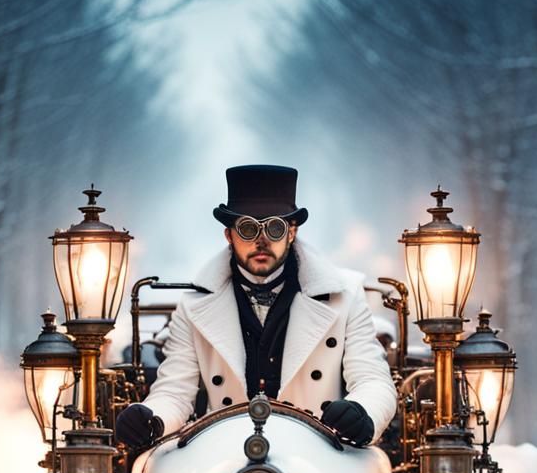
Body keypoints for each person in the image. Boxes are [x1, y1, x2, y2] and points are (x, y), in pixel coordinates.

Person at [115, 164, 397, 449]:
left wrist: (362, 412)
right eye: (248, 228)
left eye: (275, 227)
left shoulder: (345, 296)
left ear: (292, 232)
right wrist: (153, 418)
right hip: (224, 453)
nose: (261, 241)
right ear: (229, 234)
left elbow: (372, 379)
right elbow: (175, 391)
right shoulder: (193, 307)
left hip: (317, 452)